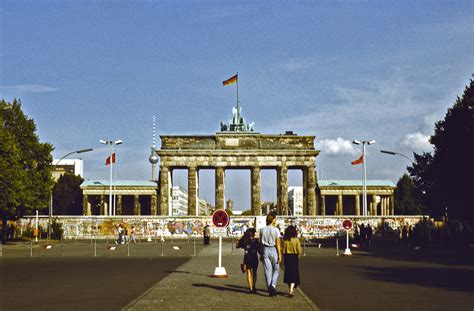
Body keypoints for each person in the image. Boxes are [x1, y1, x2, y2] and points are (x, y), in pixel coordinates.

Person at [259, 212, 281, 297]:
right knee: (276, 269)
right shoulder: (276, 230)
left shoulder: (262, 230)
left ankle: (270, 289)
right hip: (273, 249)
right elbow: (278, 243)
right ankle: (273, 285)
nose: (276, 220)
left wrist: (261, 254)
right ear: (272, 220)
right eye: (275, 218)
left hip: (265, 249)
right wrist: (279, 254)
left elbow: (260, 243)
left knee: (267, 271)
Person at [237, 228, 261, 293]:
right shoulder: (256, 241)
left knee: (248, 272)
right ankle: (254, 285)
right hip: (254, 257)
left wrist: (241, 238)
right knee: (254, 272)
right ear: (253, 234)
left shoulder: (245, 241)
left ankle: (250, 288)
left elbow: (237, 245)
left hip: (247, 257)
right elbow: (259, 250)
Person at [282, 225, 302, 297]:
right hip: (294, 256)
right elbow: (299, 250)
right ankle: (291, 290)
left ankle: (290, 288)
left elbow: (283, 250)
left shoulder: (285, 240)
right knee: (294, 273)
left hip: (287, 257)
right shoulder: (296, 240)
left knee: (288, 273)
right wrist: (299, 255)